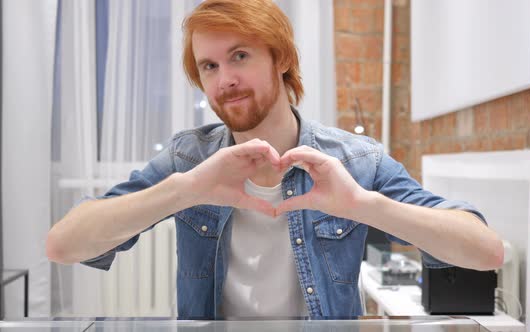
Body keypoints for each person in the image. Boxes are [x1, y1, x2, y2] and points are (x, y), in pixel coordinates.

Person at [46, 0, 504, 319]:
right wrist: (185, 189)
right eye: (209, 66)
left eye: (239, 56)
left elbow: (485, 253)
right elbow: (63, 245)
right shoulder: (190, 158)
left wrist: (363, 205)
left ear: (280, 58)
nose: (224, 79)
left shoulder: (355, 160)